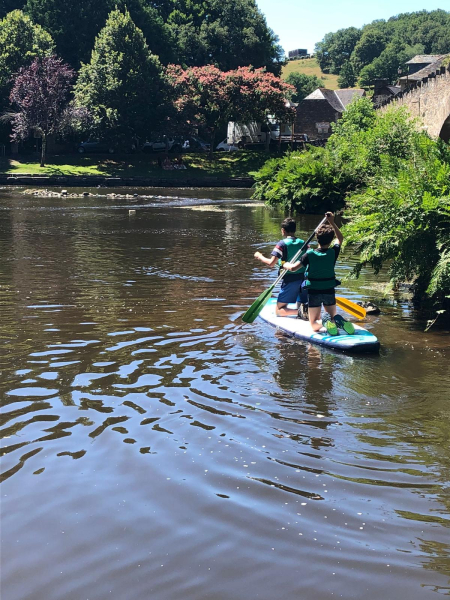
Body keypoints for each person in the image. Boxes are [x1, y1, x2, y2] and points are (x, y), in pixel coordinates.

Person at [284, 212, 355, 336]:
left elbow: (293, 268)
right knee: (333, 316)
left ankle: (324, 323)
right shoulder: (333, 252)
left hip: (314, 291)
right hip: (329, 289)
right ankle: (334, 320)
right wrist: (332, 222)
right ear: (331, 239)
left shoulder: (309, 254)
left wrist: (284, 263)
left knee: (314, 325)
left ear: (317, 239)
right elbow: (340, 238)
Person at [254, 217, 309, 318]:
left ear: (283, 230)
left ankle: (300, 312)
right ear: (295, 230)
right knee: (301, 302)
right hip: (305, 280)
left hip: (290, 281)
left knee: (279, 310)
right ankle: (304, 309)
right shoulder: (304, 243)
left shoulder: (281, 244)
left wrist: (260, 256)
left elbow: (271, 263)